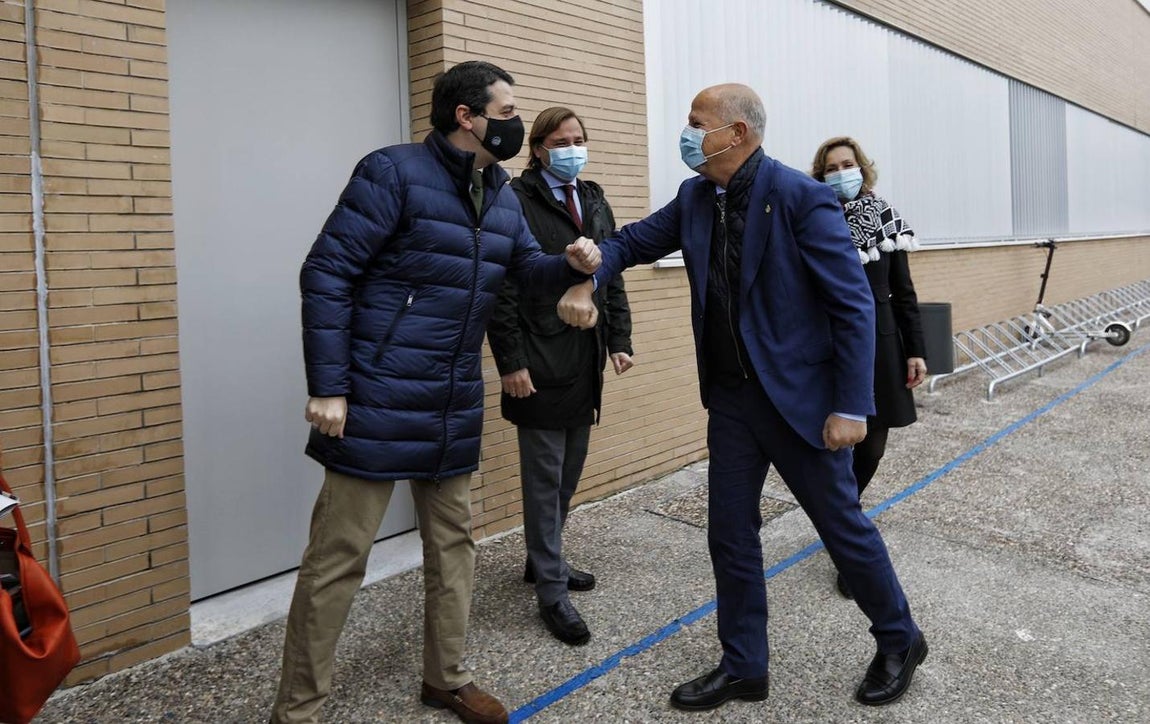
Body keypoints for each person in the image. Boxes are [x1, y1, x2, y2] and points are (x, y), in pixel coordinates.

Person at [558, 84, 928, 711]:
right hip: (731, 399)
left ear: (736, 133)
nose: (687, 132)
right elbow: (635, 242)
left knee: (841, 527)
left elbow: (853, 306)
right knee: (729, 532)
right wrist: (591, 262)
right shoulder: (697, 196)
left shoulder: (800, 198)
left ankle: (899, 638)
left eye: (697, 123)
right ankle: (744, 666)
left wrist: (850, 405)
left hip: (801, 400)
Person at [271, 60, 601, 724]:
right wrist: (330, 386)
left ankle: (446, 677)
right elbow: (327, 271)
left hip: (451, 401)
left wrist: (566, 265)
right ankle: (299, 709)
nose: (513, 122)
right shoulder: (392, 173)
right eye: (507, 112)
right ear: (467, 116)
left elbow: (522, 272)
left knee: (454, 549)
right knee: (338, 559)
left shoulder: (501, 194)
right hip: (377, 398)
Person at [486, 107, 634, 646]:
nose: (573, 147)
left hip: (584, 357)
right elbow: (501, 286)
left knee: (568, 473)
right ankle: (551, 591)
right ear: (539, 148)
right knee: (544, 480)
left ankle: (541, 558)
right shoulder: (515, 199)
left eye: (580, 139)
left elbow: (610, 272)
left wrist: (620, 339)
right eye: (561, 140)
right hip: (537, 358)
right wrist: (511, 362)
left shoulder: (593, 196)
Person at [810, 136, 928, 600]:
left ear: (862, 168)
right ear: (820, 176)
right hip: (828, 344)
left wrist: (916, 350)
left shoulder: (886, 218)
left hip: (882, 346)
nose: (841, 173)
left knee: (872, 447)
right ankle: (847, 542)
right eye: (832, 168)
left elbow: (904, 290)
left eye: (848, 165)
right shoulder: (813, 221)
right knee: (834, 447)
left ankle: (842, 516)